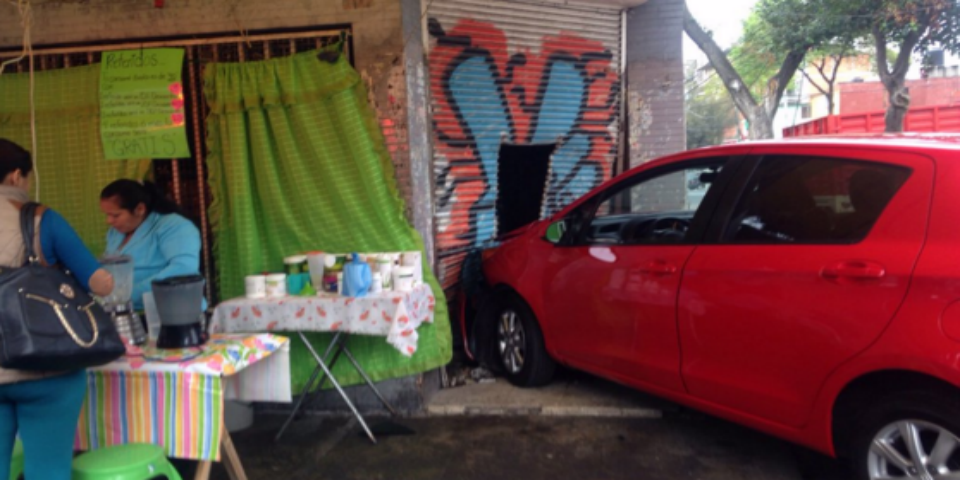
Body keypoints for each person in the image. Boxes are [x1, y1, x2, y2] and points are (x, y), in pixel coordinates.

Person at [0, 138, 115, 480]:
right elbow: (97, 282)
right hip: (45, 367)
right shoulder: (40, 219)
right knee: (47, 470)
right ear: (16, 176)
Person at [99, 179, 202, 311]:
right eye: (107, 215)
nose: (109, 221)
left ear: (140, 209)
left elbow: (183, 268)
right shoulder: (115, 233)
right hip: (126, 311)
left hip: (174, 311)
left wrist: (128, 295)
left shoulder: (174, 226)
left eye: (115, 215)